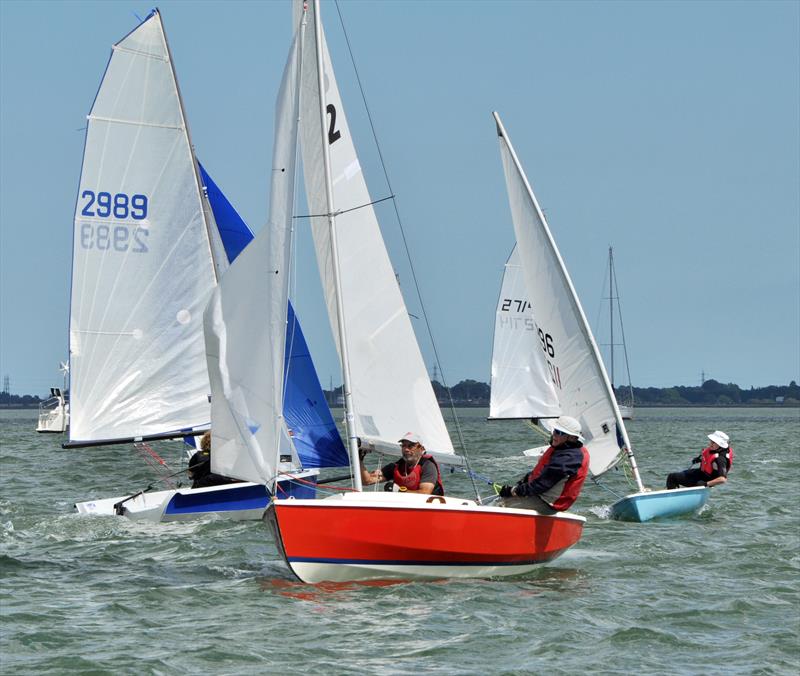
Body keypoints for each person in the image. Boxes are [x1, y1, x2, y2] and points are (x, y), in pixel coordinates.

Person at [494, 415, 590, 514]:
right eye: (555, 430)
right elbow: (544, 473)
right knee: (497, 501)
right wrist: (525, 481)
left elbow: (542, 484)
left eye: (559, 433)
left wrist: (514, 491)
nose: (554, 435)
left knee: (499, 506)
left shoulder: (569, 458)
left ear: (572, 438)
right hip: (539, 497)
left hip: (547, 503)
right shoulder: (562, 449)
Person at [359, 432, 444, 496]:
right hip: (406, 508)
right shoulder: (396, 467)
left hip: (428, 510)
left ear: (421, 449)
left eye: (410, 446)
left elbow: (425, 493)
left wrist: (399, 491)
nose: (406, 449)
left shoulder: (428, 466)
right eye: (403, 446)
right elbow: (367, 481)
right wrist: (360, 460)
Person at [666, 430, 733, 489]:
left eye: (713, 442)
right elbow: (709, 458)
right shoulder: (716, 449)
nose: (710, 444)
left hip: (704, 480)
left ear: (720, 444)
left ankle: (669, 498)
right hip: (700, 473)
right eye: (711, 441)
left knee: (672, 477)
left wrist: (706, 484)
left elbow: (722, 479)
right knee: (679, 474)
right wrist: (699, 459)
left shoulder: (720, 459)